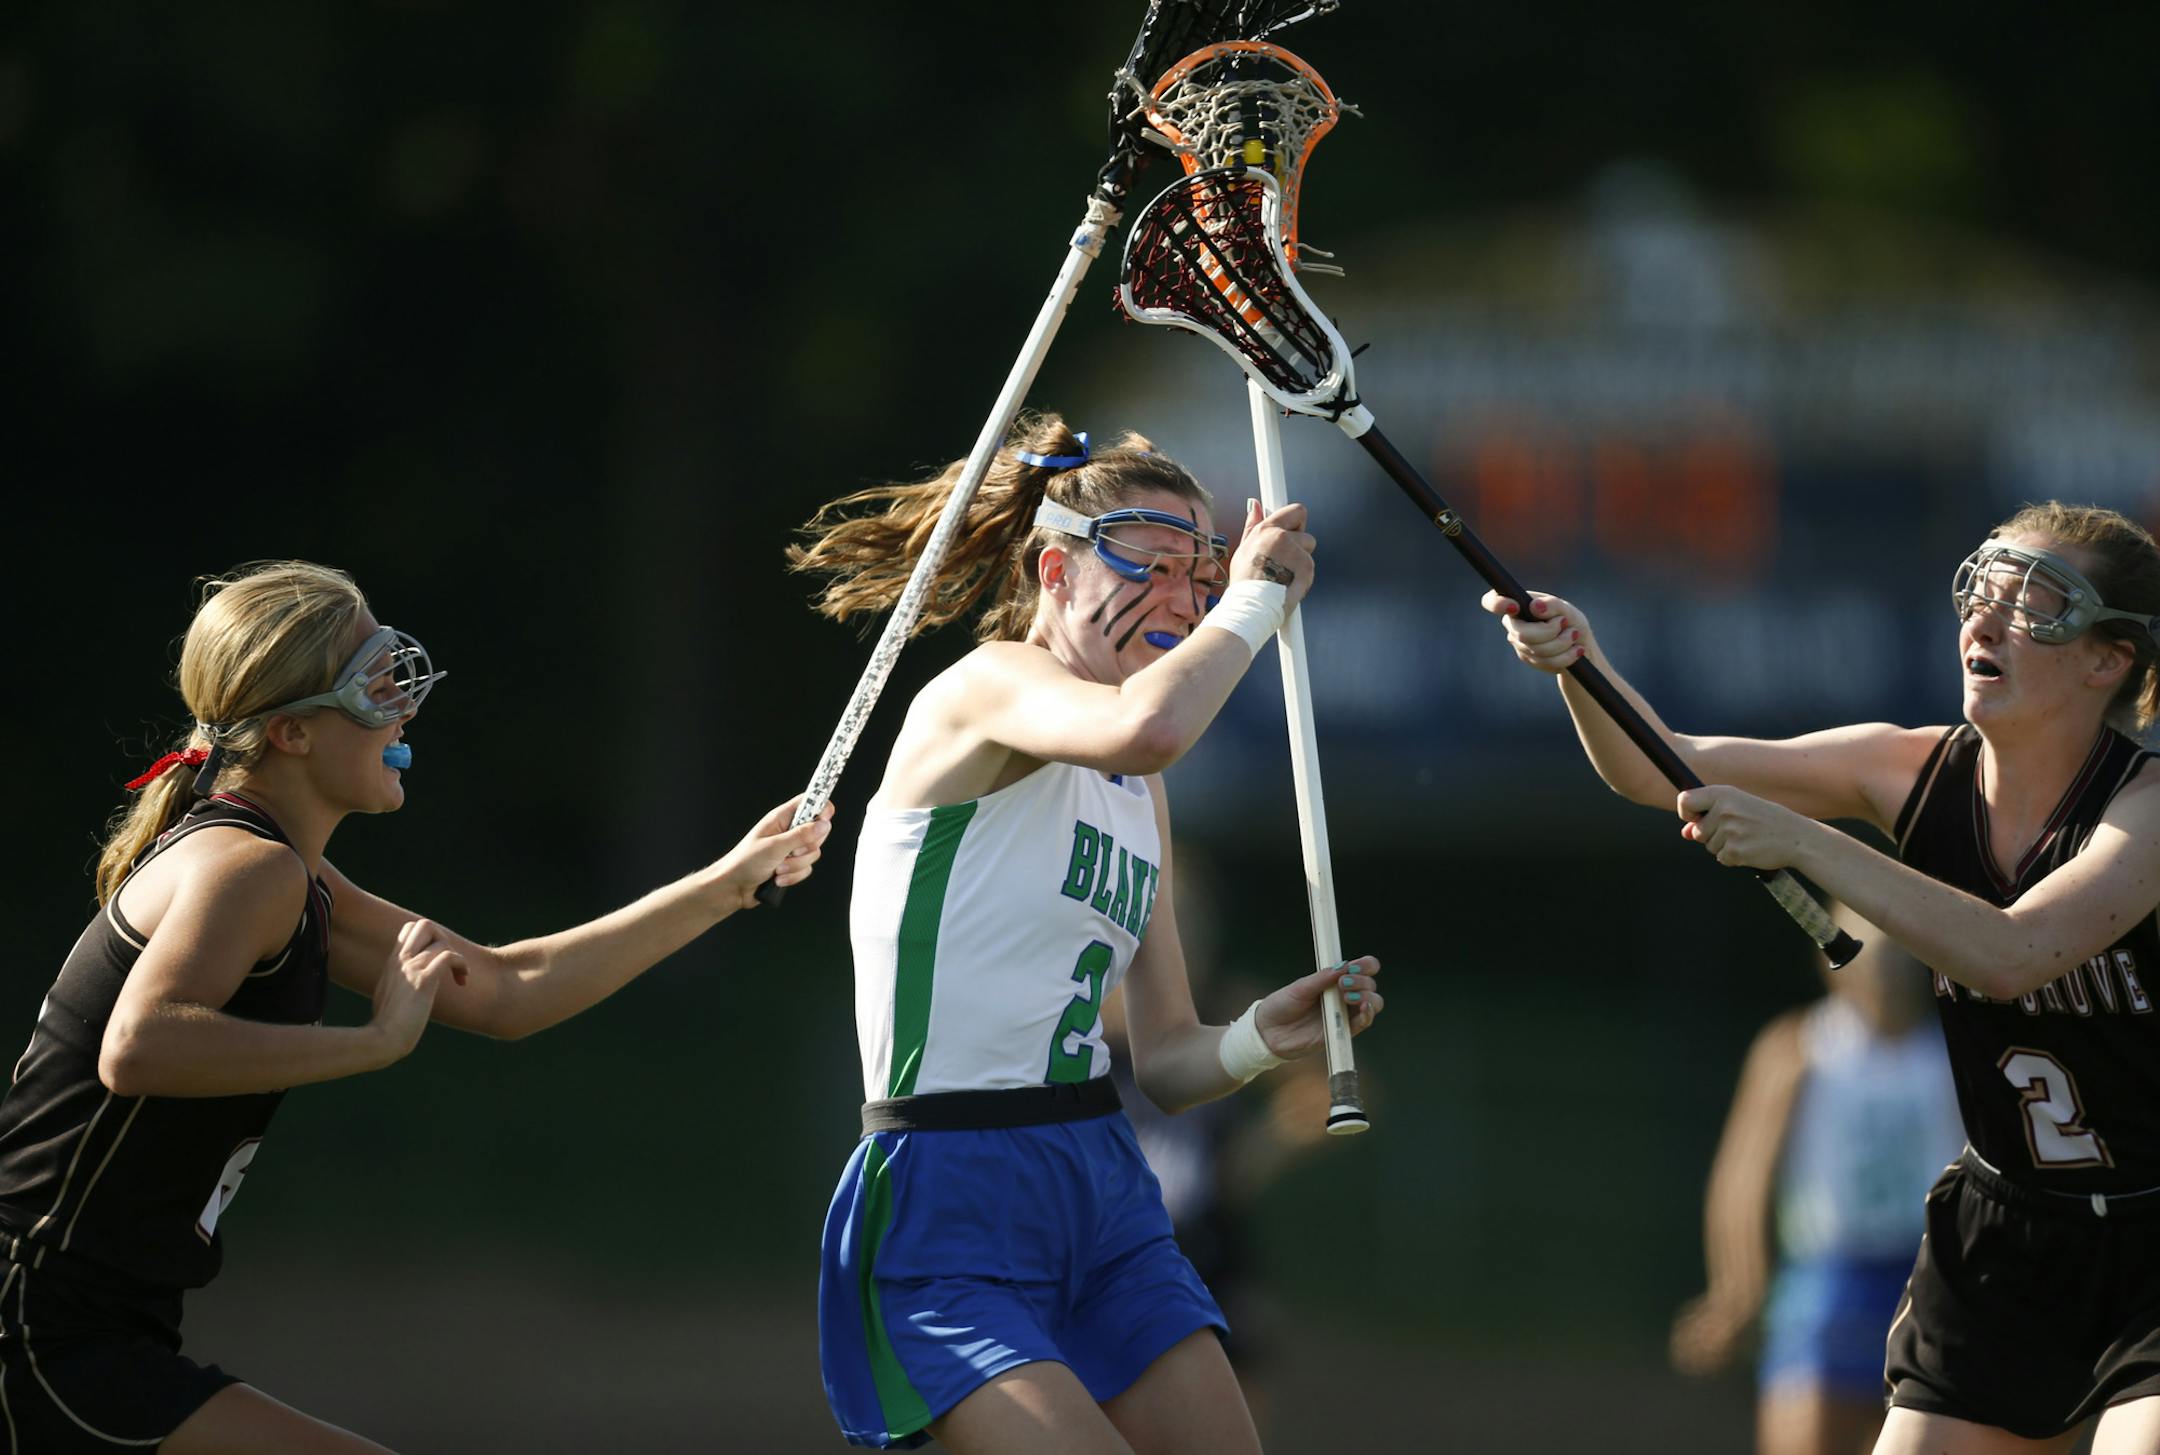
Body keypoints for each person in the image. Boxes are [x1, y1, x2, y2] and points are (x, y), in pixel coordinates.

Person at [0, 560, 832, 1454]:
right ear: (290, 733)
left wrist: (723, 884)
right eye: (373, 686)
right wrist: (375, 1041)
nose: (402, 705)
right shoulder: (249, 868)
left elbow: (508, 988)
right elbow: (139, 1046)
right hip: (43, 1329)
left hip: (95, 1329)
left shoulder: (293, 875)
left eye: (397, 670)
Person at [1485, 501, 2160, 1453]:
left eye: (2035, 603)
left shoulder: (2147, 809)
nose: (1986, 622)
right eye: (1984, 592)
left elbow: (2015, 954)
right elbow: (1661, 771)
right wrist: (1579, 667)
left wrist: (1805, 840)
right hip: (2007, 1237)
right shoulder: (1909, 768)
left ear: (2109, 659)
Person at [790, 413, 1384, 1454]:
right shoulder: (982, 692)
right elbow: (1149, 722)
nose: (1183, 599)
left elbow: (1164, 1062)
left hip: (1106, 1191)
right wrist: (1253, 598)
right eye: (1152, 565)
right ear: (1053, 569)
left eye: (1200, 575)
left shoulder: (1133, 793)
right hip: (950, 1196)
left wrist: (1257, 1037)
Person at [1670, 900, 1963, 1455]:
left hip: (1927, 1283)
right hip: (1831, 1281)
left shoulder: (1953, 1054)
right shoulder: (1799, 1048)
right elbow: (1743, 1181)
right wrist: (1737, 1292)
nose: (1884, 966)